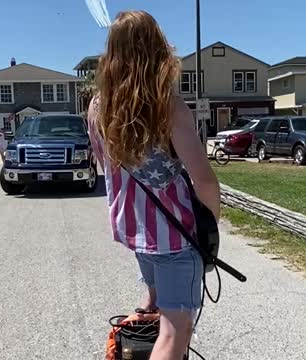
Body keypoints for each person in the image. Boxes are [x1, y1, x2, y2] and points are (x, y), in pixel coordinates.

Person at [87, 10, 220, 360]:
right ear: (158, 49)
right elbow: (204, 179)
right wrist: (210, 228)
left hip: (135, 230)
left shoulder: (97, 107)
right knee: (175, 333)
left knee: (155, 308)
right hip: (175, 234)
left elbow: (108, 167)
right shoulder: (169, 106)